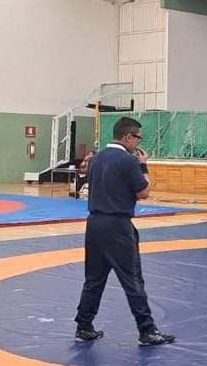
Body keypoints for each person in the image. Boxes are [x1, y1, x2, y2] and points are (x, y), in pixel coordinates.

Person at [74, 116, 175, 346]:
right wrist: (143, 166)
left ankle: (83, 326)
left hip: (94, 224)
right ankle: (147, 330)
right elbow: (143, 192)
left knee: (94, 279)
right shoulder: (128, 160)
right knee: (132, 279)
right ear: (128, 136)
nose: (138, 142)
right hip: (117, 226)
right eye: (138, 137)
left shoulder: (97, 158)